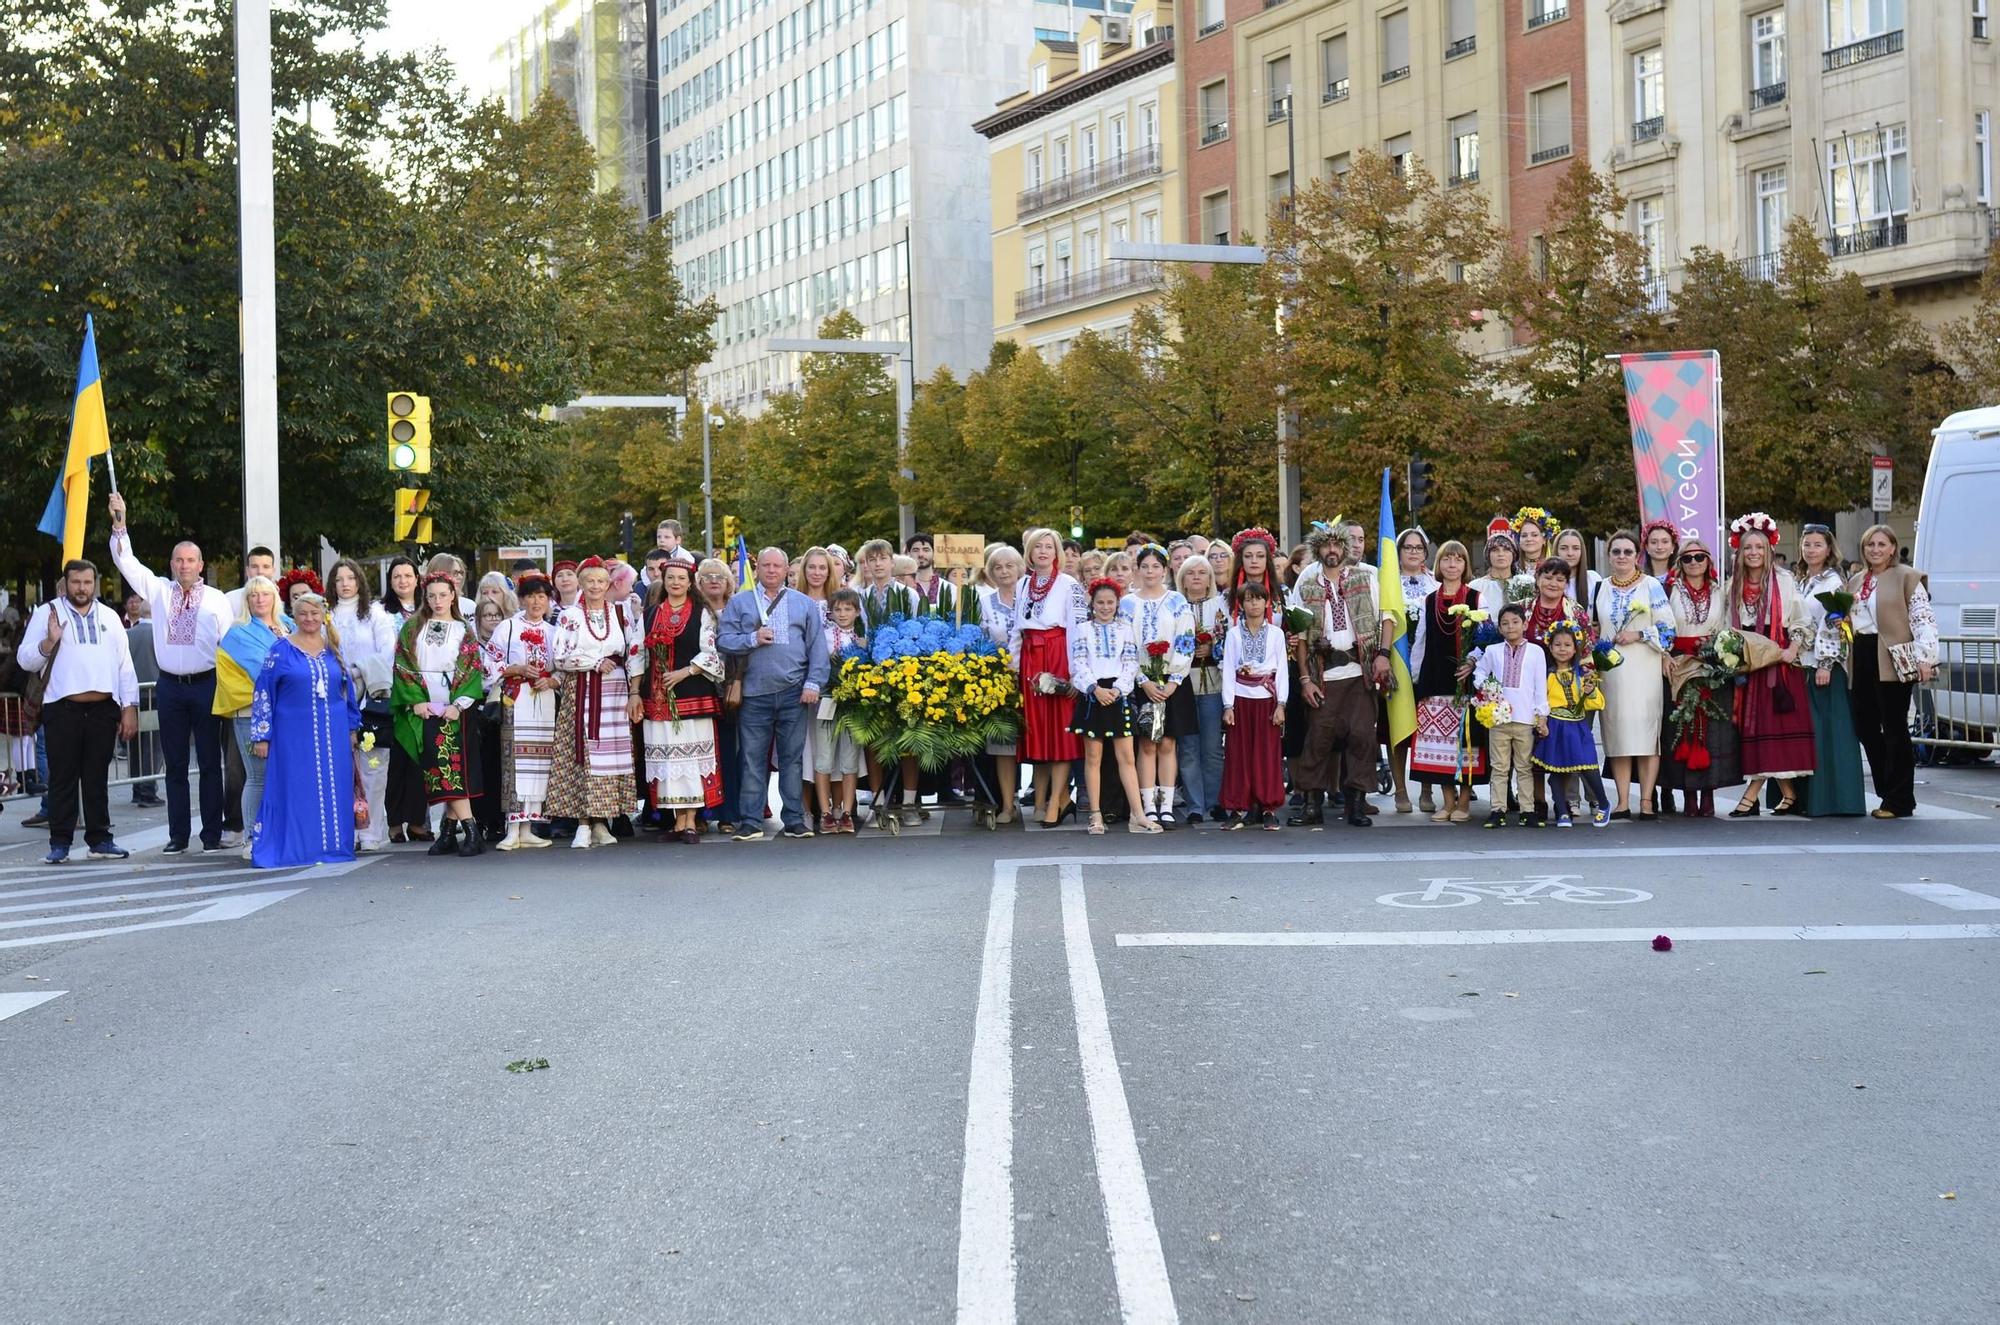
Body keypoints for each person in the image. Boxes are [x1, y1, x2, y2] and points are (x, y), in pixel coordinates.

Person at [107, 490, 232, 854]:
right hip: (170, 687)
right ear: (172, 564)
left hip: (207, 684)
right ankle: (178, 836)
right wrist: (120, 522)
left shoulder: (217, 601)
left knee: (210, 763)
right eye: (178, 560)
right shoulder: (159, 592)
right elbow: (127, 562)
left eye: (190, 560)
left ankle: (211, 834)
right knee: (174, 764)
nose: (184, 566)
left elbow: (229, 645)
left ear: (201, 564)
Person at [19, 559, 139, 864]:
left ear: (95, 583)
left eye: (87, 582)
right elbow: (24, 659)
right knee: (62, 778)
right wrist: (49, 641)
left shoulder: (110, 617)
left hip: (103, 709)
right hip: (62, 708)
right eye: (76, 582)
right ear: (66, 583)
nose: (82, 588)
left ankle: (100, 839)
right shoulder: (48, 613)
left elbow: (125, 665)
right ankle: (60, 842)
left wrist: (129, 707)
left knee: (97, 778)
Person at [719, 547, 829, 841]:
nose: (771, 570)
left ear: (786, 571)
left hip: (794, 693)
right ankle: (751, 822)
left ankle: (794, 820)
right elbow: (724, 640)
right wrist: (752, 639)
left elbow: (817, 647)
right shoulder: (741, 602)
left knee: (792, 760)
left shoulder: (803, 604)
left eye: (777, 566)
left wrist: (813, 683)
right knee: (752, 760)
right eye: (766, 565)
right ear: (758, 569)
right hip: (753, 695)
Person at [249, 594, 363, 868]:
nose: (309, 619)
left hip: (333, 734)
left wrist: (352, 727)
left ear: (323, 615)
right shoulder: (281, 650)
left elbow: (347, 692)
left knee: (332, 789)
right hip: (292, 735)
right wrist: (262, 735)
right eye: (303, 614)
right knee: (296, 787)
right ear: (294, 616)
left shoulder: (333, 648)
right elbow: (263, 692)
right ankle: (297, 849)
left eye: (315, 613)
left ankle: (330, 846)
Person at [1291, 524, 1392, 829]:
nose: (1331, 551)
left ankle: (1357, 804)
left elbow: (1387, 616)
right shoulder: (1307, 582)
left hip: (1359, 670)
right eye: (1326, 546)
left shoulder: (1367, 577)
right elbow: (1300, 635)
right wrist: (1305, 679)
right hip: (1324, 673)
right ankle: (1312, 805)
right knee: (1318, 738)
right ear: (1318, 549)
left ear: (1345, 548)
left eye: (1337, 545)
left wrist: (1383, 656)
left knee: (1362, 736)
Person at [547, 557, 646, 848]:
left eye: (601, 581)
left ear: (608, 584)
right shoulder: (570, 616)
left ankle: (603, 821)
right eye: (589, 581)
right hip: (582, 688)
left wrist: (634, 691)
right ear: (581, 583)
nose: (595, 586)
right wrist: (593, 661)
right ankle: (583, 823)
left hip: (614, 689)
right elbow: (560, 655)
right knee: (586, 754)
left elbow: (634, 651)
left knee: (610, 758)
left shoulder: (620, 612)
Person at [392, 574, 488, 857]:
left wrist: (458, 705)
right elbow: (402, 664)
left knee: (454, 769)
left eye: (443, 595)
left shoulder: (463, 629)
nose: (437, 601)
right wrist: (415, 701)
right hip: (426, 708)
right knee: (439, 769)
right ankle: (467, 829)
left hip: (455, 709)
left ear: (453, 596)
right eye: (432, 596)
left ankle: (455, 832)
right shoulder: (412, 628)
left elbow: (472, 669)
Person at [1726, 518, 1816, 817]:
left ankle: (1750, 796)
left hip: (1778, 666)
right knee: (1757, 735)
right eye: (1747, 547)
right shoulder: (1732, 586)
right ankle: (1789, 795)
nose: (1753, 552)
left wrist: (1792, 649)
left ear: (1768, 550)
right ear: (1739, 551)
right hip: (1750, 668)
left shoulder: (1784, 581)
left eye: (1759, 547)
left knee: (1773, 732)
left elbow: (1802, 620)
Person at [1846, 524, 1935, 819]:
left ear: (1893, 548)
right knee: (1865, 725)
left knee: (1895, 727)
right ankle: (1888, 789)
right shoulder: (1857, 580)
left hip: (1893, 655)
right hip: (1862, 652)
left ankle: (1899, 799)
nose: (1875, 549)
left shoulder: (1907, 577)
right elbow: (1852, 618)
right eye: (1870, 544)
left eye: (1882, 544)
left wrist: (1926, 658)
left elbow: (1922, 618)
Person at [1592, 530, 1676, 819]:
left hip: (1644, 667)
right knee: (1617, 735)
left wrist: (1639, 634)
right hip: (1612, 672)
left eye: (1628, 552)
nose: (1622, 557)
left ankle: (1647, 800)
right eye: (1616, 552)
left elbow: (1668, 631)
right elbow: (1595, 628)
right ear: (1609, 555)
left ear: (1637, 555)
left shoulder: (1651, 585)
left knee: (1645, 733)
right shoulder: (1601, 588)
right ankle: (1623, 801)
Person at [641, 559, 726, 843]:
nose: (675, 583)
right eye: (670, 578)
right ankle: (678, 821)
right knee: (667, 759)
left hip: (693, 694)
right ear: (663, 581)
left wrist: (684, 672)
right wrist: (634, 693)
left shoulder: (702, 613)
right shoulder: (650, 614)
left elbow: (711, 653)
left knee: (691, 759)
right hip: (658, 697)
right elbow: (637, 655)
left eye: (681, 578)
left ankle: (691, 820)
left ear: (690, 583)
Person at [1068, 579, 1159, 836]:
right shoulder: (1082, 629)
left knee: (1127, 758)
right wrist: (1095, 689)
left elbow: (1131, 664)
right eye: (1100, 603)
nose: (1105, 607)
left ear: (1117, 603)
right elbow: (1078, 664)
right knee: (1093, 758)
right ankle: (1095, 815)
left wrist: (1118, 690)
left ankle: (1137, 814)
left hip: (1119, 695)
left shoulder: (1125, 630)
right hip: (1093, 694)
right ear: (1092, 604)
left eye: (1110, 602)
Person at [1012, 527, 1088, 827]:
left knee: (1060, 733)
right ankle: (1044, 800)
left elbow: (1077, 629)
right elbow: (1016, 630)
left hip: (1058, 655)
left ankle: (1059, 799)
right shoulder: (1022, 584)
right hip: (1031, 658)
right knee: (1038, 733)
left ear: (1057, 552)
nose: (1043, 551)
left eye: (1049, 546)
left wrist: (1074, 674)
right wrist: (1015, 667)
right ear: (1029, 552)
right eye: (1037, 546)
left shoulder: (1069, 584)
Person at [1658, 539, 1736, 818]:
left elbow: (1728, 624)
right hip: (1678, 662)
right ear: (1679, 563)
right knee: (1682, 729)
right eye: (1687, 558)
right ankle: (1688, 793)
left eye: (1699, 557)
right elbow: (1660, 625)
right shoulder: (1669, 590)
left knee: (1712, 730)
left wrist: (1722, 653)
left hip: (1712, 662)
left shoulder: (1720, 591)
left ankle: (1709, 792)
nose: (1694, 563)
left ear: (1708, 561)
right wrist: (1665, 656)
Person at [1792, 523, 1866, 817]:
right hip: (1801, 663)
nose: (1811, 550)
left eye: (1817, 545)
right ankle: (1804, 797)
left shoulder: (1833, 582)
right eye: (1807, 544)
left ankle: (1833, 799)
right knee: (1808, 732)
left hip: (1822, 665)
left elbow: (1835, 625)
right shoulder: (1802, 580)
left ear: (1828, 549)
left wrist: (1826, 663)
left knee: (1827, 732)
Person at [1408, 539, 1484, 824]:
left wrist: (1472, 662)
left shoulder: (1477, 598)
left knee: (1465, 744)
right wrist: (1417, 677)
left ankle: (1464, 802)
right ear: (1438, 565)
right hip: (1435, 678)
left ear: (1465, 566)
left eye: (1458, 560)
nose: (1452, 565)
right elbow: (1421, 641)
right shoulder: (1429, 600)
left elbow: (1484, 639)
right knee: (1438, 745)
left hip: (1464, 680)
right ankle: (1447, 801)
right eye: (1447, 560)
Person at [214, 576, 290, 859]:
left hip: (288, 713)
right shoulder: (238, 633)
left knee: (283, 775)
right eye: (253, 595)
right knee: (257, 775)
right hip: (250, 713)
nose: (259, 600)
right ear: (246, 601)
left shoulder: (290, 627)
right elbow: (260, 673)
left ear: (275, 598)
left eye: (265, 594)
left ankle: (279, 834)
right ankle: (252, 837)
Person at [485, 574, 560, 850]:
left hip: (543, 699)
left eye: (542, 596)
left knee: (539, 761)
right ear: (521, 599)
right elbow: (489, 663)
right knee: (513, 761)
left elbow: (562, 667)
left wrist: (552, 680)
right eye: (531, 596)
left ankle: (528, 826)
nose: (537, 601)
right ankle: (512, 826)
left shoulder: (554, 631)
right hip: (515, 699)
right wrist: (515, 669)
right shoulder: (507, 628)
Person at [1122, 545, 1195, 829]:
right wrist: (1143, 679)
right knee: (1146, 743)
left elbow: (1186, 640)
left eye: (1156, 566)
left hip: (1172, 681)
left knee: (1168, 743)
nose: (1150, 571)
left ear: (1165, 570)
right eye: (1145, 566)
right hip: (1141, 682)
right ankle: (1146, 806)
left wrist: (1175, 679)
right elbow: (1126, 645)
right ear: (1137, 570)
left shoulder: (1176, 601)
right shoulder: (1128, 604)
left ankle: (1166, 805)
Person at [329, 557, 397, 851]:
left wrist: (357, 671)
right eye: (339, 579)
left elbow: (387, 653)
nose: (345, 584)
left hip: (369, 696)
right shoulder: (326, 614)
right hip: (334, 696)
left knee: (371, 767)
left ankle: (371, 831)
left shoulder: (374, 614)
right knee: (342, 768)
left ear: (359, 581)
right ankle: (348, 829)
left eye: (350, 578)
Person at [1473, 604, 1549, 829]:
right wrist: (1487, 687)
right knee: (1499, 766)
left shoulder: (1536, 651)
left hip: (1525, 718)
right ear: (1499, 627)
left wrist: (1541, 715)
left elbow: (1540, 686)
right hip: (1498, 718)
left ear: (1525, 624)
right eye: (1505, 623)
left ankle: (1528, 810)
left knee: (1524, 766)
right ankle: (1498, 809)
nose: (1510, 627)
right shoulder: (1493, 651)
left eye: (1515, 622)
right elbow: (1479, 672)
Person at [1220, 580, 1288, 830]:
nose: (1254, 603)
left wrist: (1281, 704)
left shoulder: (1277, 634)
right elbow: (1228, 669)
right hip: (1240, 699)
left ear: (1266, 602)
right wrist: (1228, 705)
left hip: (1267, 700)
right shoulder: (1234, 634)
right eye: (1248, 599)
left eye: (1258, 598)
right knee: (1238, 755)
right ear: (1241, 604)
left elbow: (1281, 672)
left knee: (1267, 755)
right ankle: (1238, 807)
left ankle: (1268, 807)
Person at [1533, 622, 1610, 828]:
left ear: (1575, 648)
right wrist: (1540, 721)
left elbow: (1598, 702)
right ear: (1550, 647)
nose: (1562, 649)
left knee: (1588, 766)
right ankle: (1562, 811)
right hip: (1555, 726)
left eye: (1567, 645)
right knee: (1557, 770)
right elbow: (1541, 700)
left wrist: (1589, 691)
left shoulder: (1582, 674)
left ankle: (1603, 804)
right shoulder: (1547, 675)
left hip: (1577, 727)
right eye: (1557, 645)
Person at [377, 556, 431, 843]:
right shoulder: (380, 611)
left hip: (425, 691)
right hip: (394, 692)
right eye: (396, 576)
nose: (402, 581)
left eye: (407, 575)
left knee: (420, 760)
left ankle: (418, 821)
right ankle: (395, 822)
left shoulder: (428, 609)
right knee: (396, 762)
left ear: (416, 578)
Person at [1175, 555, 1228, 825]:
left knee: (1212, 746)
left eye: (1202, 572)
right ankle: (1195, 804)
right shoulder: (1174, 605)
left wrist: (1212, 648)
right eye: (1190, 573)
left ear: (1210, 578)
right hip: (1183, 683)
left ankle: (1215, 800)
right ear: (1182, 579)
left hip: (1212, 681)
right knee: (1188, 747)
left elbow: (1230, 639)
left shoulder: (1221, 606)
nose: (1196, 577)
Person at [1391, 528, 1439, 814]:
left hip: (1427, 661)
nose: (1413, 552)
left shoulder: (1434, 583)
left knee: (1426, 729)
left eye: (1418, 548)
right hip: (1398, 659)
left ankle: (1426, 789)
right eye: (1407, 547)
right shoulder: (1387, 583)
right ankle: (1399, 790)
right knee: (1396, 727)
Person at [976, 544, 1025, 825]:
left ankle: (1042, 801)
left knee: (1038, 743)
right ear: (990, 573)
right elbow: (980, 642)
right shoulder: (984, 602)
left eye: (1009, 565)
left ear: (1020, 568)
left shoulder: (1032, 600)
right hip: (998, 682)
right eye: (997, 567)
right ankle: (1007, 805)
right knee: (1003, 743)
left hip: (1030, 680)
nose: (1004, 571)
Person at [812, 588, 867, 834]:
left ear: (857, 612)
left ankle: (846, 811)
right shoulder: (822, 636)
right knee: (823, 758)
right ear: (830, 613)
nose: (843, 614)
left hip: (853, 704)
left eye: (848, 609)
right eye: (838, 609)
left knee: (849, 759)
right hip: (826, 700)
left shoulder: (863, 638)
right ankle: (825, 812)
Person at [696, 558, 744, 834]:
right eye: (708, 576)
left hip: (729, 689)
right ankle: (701, 811)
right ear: (699, 583)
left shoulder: (736, 610)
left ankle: (728, 813)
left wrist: (735, 681)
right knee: (701, 754)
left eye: (720, 576)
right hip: (699, 689)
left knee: (728, 752)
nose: (714, 581)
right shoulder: (692, 611)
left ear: (729, 583)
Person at [470, 600, 509, 843]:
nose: (492, 620)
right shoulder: (472, 646)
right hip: (478, 707)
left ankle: (497, 820)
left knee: (498, 767)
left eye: (497, 615)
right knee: (479, 767)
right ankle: (479, 819)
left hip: (501, 707)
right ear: (479, 619)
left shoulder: (505, 644)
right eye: (487, 615)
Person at [123, 591, 162, 808]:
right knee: (153, 745)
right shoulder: (160, 634)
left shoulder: (129, 635)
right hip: (155, 694)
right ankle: (148, 790)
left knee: (136, 745)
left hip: (134, 695)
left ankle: (137, 788)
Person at [1470, 529, 1532, 611]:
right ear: (1488, 555)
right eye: (1495, 550)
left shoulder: (1525, 584)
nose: (1501, 554)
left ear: (1514, 555)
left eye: (1506, 550)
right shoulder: (1476, 586)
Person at [905, 533, 956, 616]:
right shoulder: (902, 587)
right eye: (915, 550)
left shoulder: (950, 588)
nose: (921, 554)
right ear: (909, 554)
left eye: (926, 550)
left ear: (934, 554)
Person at [1554, 528, 1601, 606]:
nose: (1570, 553)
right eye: (1564, 548)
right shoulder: (1548, 581)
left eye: (1575, 548)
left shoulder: (1593, 579)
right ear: (1556, 550)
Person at [1641, 519, 1680, 586]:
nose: (1659, 547)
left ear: (1673, 546)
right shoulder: (1639, 578)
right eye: (1654, 542)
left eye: (1665, 542)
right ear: (1647, 547)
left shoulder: (1681, 577)